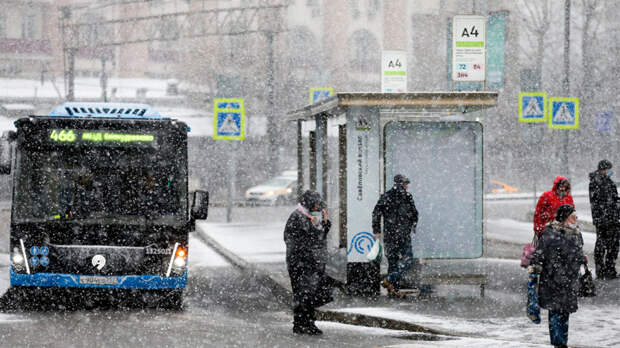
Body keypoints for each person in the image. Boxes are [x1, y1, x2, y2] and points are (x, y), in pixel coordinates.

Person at [529, 204, 587, 348]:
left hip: (569, 279)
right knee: (555, 311)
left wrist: (582, 258)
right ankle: (558, 342)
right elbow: (540, 253)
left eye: (576, 217)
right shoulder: (550, 233)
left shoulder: (576, 234)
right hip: (552, 278)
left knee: (565, 312)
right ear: (565, 218)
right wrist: (535, 270)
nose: (576, 220)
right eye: (573, 217)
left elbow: (577, 253)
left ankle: (562, 341)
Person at [283, 190, 336, 335]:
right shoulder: (298, 217)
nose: (318, 207)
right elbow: (304, 240)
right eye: (316, 204)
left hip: (311, 264)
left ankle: (308, 323)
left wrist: (324, 225)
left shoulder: (309, 217)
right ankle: (301, 324)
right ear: (309, 203)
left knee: (310, 294)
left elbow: (317, 237)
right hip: (301, 264)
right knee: (303, 294)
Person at [372, 174, 419, 298]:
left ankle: (393, 287)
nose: (407, 186)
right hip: (403, 234)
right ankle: (391, 282)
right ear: (402, 184)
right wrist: (413, 224)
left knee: (393, 262)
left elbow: (376, 213)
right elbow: (414, 213)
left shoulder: (386, 196)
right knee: (407, 259)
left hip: (390, 234)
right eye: (406, 184)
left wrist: (376, 230)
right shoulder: (407, 197)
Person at [588, 159, 620, 279]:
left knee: (614, 244)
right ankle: (602, 270)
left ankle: (609, 269)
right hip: (604, 219)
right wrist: (606, 214)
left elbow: (613, 199)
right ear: (604, 169)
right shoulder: (597, 182)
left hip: (611, 218)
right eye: (609, 169)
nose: (610, 171)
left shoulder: (607, 181)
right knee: (602, 245)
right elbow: (599, 203)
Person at [533, 176, 574, 241]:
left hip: (565, 230)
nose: (562, 189)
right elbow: (538, 213)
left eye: (565, 187)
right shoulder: (546, 196)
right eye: (560, 186)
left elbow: (572, 214)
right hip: (548, 229)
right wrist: (537, 228)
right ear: (556, 186)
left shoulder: (569, 198)